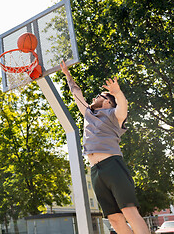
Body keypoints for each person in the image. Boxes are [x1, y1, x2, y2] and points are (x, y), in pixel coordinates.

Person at [60, 60, 149, 234]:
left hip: (112, 165)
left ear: (108, 102)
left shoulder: (113, 116)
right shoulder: (88, 113)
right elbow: (76, 93)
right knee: (115, 220)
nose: (94, 98)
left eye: (99, 96)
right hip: (95, 171)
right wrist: (67, 75)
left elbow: (123, 109)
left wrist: (118, 93)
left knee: (129, 212)